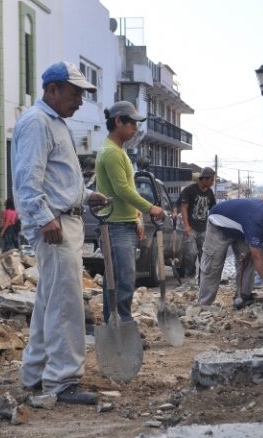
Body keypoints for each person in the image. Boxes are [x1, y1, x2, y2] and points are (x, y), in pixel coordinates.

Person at [12, 61, 106, 405]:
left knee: (50, 300)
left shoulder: (55, 123)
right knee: (65, 303)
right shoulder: (38, 123)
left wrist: (86, 195)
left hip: (63, 219)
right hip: (55, 226)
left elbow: (58, 178)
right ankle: (62, 379)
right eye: (75, 92)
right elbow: (28, 178)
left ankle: (35, 373)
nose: (80, 100)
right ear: (52, 90)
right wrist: (43, 217)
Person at [95, 101, 166, 323]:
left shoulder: (117, 151)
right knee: (123, 280)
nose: (136, 128)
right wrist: (150, 208)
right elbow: (122, 189)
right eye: (132, 123)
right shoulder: (112, 153)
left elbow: (128, 187)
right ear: (118, 121)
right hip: (116, 226)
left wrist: (136, 216)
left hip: (121, 222)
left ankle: (115, 325)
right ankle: (122, 326)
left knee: (115, 279)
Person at [197, 199, 263, 307]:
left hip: (241, 228)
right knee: (213, 265)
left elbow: (254, 253)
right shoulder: (257, 222)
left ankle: (243, 296)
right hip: (218, 224)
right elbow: (258, 257)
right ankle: (204, 304)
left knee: (248, 259)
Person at [178, 167, 216, 278]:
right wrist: (186, 226)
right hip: (191, 228)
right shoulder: (189, 190)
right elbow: (184, 207)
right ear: (204, 179)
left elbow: (213, 210)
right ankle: (189, 279)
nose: (212, 182)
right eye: (211, 180)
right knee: (191, 253)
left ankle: (202, 280)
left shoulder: (210, 193)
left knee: (204, 255)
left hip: (204, 229)